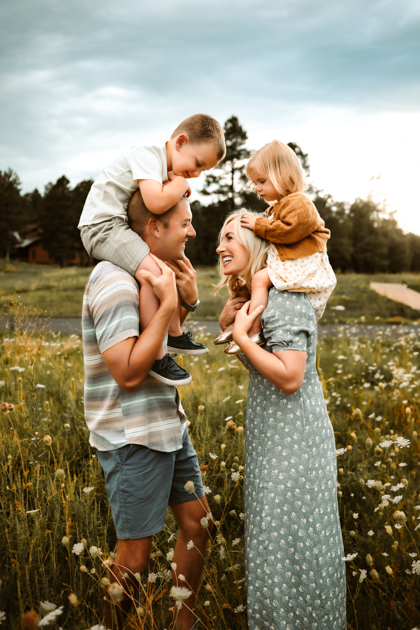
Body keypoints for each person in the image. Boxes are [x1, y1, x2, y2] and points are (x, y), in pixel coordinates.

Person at [82, 191, 211, 630]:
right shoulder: (114, 281)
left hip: (166, 425)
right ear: (153, 228)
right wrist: (172, 305)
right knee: (134, 558)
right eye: (185, 222)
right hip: (131, 434)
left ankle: (183, 626)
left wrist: (184, 303)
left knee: (198, 525)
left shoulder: (157, 276)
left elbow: (160, 350)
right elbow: (129, 373)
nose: (193, 231)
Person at [215, 209, 347, 629]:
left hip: (295, 445)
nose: (220, 247)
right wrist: (237, 331)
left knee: (292, 553)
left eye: (231, 237)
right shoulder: (262, 299)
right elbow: (267, 370)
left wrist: (240, 338)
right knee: (277, 551)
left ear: (255, 245)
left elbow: (289, 378)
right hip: (274, 440)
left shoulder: (286, 298)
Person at [79, 113, 226, 383]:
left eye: (202, 171)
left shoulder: (160, 167)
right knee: (154, 275)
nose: (195, 174)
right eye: (197, 164)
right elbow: (156, 203)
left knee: (161, 271)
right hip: (102, 226)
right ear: (180, 142)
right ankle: (158, 356)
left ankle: (174, 334)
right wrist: (180, 182)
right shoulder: (147, 154)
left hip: (115, 225)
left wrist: (175, 178)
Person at [215, 140, 336, 354]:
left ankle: (252, 331)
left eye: (262, 181)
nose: (257, 188)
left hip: (302, 262)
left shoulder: (300, 203)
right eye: (255, 182)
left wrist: (258, 224)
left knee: (260, 279)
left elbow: (288, 232)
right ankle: (236, 326)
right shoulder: (277, 207)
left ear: (282, 175)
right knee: (247, 285)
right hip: (288, 261)